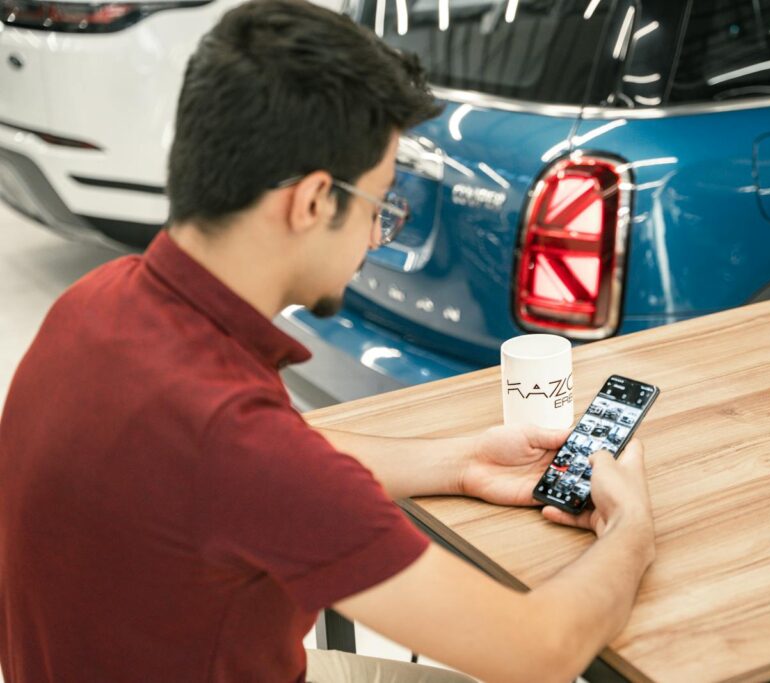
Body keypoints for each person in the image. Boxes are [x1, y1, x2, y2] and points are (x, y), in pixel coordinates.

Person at [0, 1, 656, 681]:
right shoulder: (232, 438)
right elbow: (538, 649)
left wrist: (461, 461)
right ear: (314, 200)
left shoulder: (95, 305)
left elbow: (267, 462)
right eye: (379, 206)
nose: (378, 236)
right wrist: (631, 528)